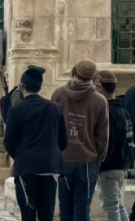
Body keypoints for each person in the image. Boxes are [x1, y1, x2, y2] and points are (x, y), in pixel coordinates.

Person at [4, 66, 67, 221]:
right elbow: (63, 141)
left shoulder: (16, 110)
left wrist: (21, 156)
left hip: (26, 169)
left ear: (22, 86)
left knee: (28, 215)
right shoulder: (55, 108)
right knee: (47, 215)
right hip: (49, 168)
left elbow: (9, 142)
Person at [51, 59, 110, 221]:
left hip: (63, 159)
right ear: (94, 76)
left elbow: (52, 127)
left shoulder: (58, 94)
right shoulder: (99, 100)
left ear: (74, 71)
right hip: (88, 162)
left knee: (65, 207)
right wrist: (99, 157)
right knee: (82, 208)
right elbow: (102, 135)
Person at [97, 71, 133, 221]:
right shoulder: (122, 108)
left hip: (110, 167)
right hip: (122, 164)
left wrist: (100, 161)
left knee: (110, 206)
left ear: (99, 86)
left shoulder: (108, 112)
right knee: (117, 204)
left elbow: (108, 143)